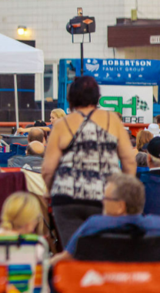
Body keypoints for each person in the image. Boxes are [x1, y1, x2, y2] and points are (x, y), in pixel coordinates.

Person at [42, 76, 137, 244]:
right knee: (102, 251)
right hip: (106, 197)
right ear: (97, 96)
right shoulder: (112, 121)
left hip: (66, 197)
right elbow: (129, 161)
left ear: (70, 98)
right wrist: (123, 192)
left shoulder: (61, 125)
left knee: (73, 252)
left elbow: (48, 170)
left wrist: (50, 190)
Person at [63, 174, 160, 257]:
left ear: (120, 206)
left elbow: (67, 257)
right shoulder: (156, 226)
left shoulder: (93, 225)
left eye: (106, 198)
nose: (102, 201)